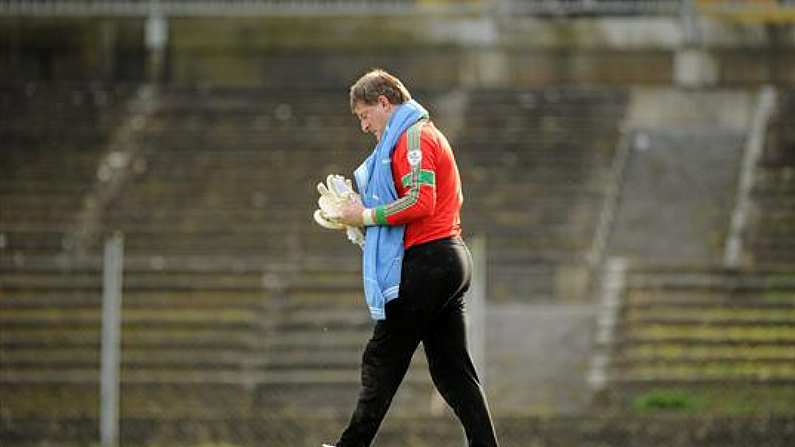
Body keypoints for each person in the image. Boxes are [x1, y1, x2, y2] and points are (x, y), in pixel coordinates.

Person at [323, 69, 500, 447]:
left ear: (384, 102)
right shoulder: (417, 134)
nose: (364, 125)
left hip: (430, 260)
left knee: (382, 357)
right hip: (449, 258)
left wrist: (366, 216)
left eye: (364, 115)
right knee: (453, 372)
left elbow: (422, 201)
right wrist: (359, 216)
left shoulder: (413, 136)